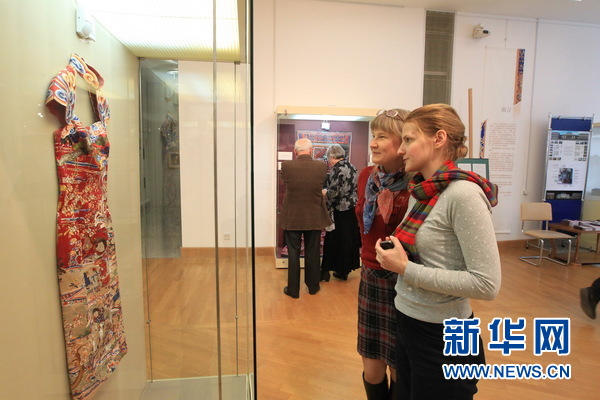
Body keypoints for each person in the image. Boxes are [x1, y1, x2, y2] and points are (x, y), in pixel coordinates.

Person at [375, 104, 501, 400]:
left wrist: (405, 268)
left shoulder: (463, 195)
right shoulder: (423, 190)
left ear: (439, 139)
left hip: (445, 335)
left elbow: (487, 284)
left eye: (408, 139)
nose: (401, 149)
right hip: (409, 321)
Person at [355, 109, 412, 399]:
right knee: (372, 368)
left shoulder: (416, 183)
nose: (373, 143)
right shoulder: (367, 176)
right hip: (371, 275)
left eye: (381, 136)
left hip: (404, 280)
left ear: (403, 143)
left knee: (399, 366)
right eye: (373, 136)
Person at [280, 138, 332, 298]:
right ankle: (313, 287)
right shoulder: (321, 166)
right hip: (314, 216)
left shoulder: (286, 166)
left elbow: (287, 183)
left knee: (293, 254)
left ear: (295, 151)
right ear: (311, 150)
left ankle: (293, 290)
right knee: (313, 253)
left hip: (292, 217)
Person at [320, 144, 361, 282]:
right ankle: (343, 271)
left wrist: (325, 192)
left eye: (328, 159)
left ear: (332, 156)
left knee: (332, 240)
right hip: (351, 209)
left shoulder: (336, 170)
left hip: (339, 210)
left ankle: (325, 271)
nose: (329, 162)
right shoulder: (353, 167)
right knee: (347, 240)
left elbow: (334, 193)